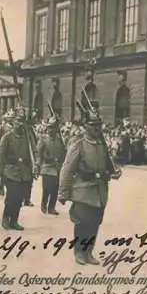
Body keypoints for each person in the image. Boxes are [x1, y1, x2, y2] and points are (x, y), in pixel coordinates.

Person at [58, 110, 121, 265]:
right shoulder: (78, 145)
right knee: (82, 223)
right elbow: (67, 169)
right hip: (83, 190)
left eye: (98, 125)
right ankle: (79, 251)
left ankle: (89, 251)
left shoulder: (102, 145)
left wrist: (116, 171)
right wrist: (63, 192)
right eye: (93, 126)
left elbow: (110, 165)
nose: (97, 129)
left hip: (100, 192)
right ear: (86, 126)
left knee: (95, 223)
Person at [0, 110, 37, 230]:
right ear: (13, 122)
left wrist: (35, 165)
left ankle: (14, 220)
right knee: (12, 196)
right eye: (17, 121)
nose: (20, 124)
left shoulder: (28, 138)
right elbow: (0, 155)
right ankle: (6, 218)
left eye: (22, 121)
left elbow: (34, 152)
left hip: (24, 172)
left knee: (19, 198)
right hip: (10, 171)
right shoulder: (7, 137)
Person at [35, 116, 66, 215]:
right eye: (50, 127)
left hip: (57, 167)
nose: (51, 130)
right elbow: (38, 153)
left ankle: (51, 207)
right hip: (47, 167)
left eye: (53, 128)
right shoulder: (43, 139)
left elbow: (63, 153)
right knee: (47, 188)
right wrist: (37, 165)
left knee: (55, 189)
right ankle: (44, 204)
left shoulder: (59, 140)